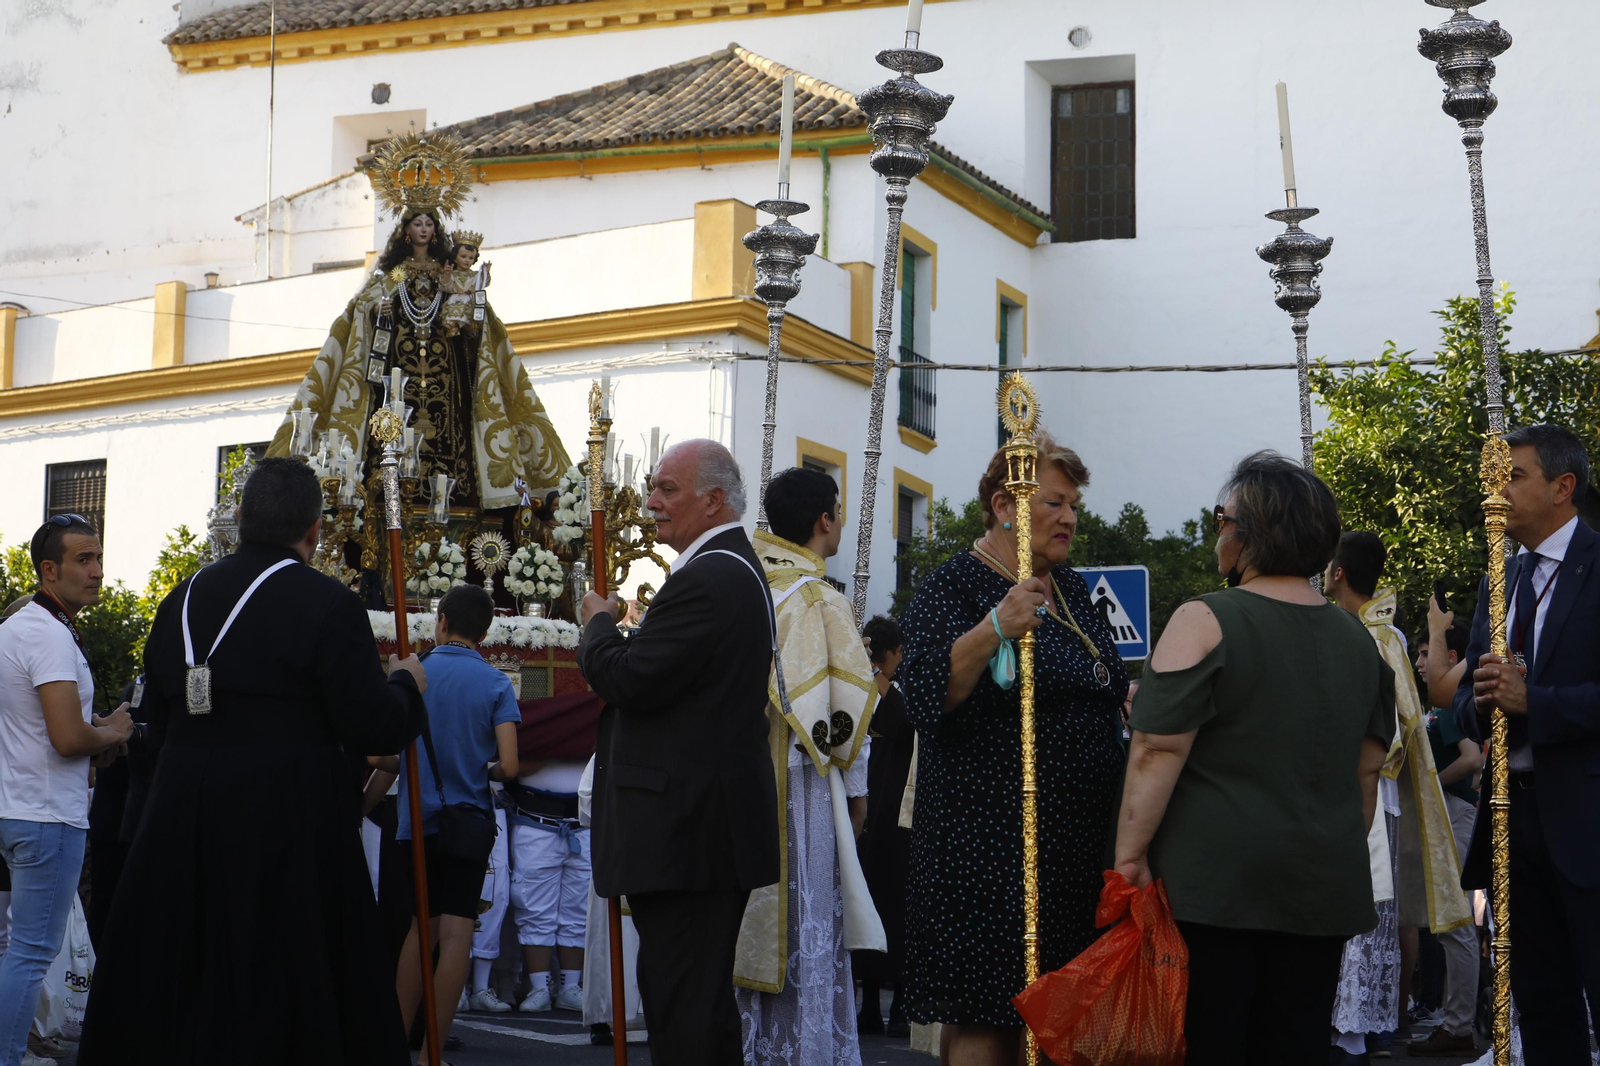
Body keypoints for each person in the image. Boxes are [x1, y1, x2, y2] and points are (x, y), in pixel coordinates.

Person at [78, 457, 429, 1066]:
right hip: (285, 818)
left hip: (180, 814)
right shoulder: (327, 603)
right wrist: (405, 687)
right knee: (281, 977)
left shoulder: (181, 597)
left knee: (179, 972)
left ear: (239, 519)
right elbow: (372, 726)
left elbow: (156, 711)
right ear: (315, 531)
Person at [1113, 452, 1395, 1066]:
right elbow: (1367, 771)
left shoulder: (1205, 618)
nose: (1218, 530)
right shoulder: (1360, 643)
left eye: (1223, 518)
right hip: (1320, 889)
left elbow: (1156, 748)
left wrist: (1129, 856)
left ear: (1249, 534)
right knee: (1294, 1045)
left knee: (1210, 1041)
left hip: (1214, 888)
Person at [897, 434, 1128, 1066]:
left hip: (1071, 852)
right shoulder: (957, 587)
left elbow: (1101, 683)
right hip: (988, 849)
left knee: (1059, 1014)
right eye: (1054, 502)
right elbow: (924, 693)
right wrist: (994, 628)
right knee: (991, 1011)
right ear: (1005, 504)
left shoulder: (1075, 592)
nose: (1071, 518)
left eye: (1074, 506)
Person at [577, 439, 780, 1066]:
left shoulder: (710, 577)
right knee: (689, 1003)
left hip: (690, 834)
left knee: (683, 1007)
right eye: (652, 488)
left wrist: (597, 624)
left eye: (667, 489)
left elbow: (628, 677)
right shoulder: (722, 570)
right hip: (700, 830)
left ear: (714, 500)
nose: (652, 503)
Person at [1454, 424, 1600, 1064]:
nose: (1497, 493)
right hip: (1515, 822)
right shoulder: (1500, 576)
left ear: (1563, 487)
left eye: (1513, 477)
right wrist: (1484, 702)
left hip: (1588, 822)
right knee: (1542, 1006)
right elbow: (1468, 704)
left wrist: (1531, 703)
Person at [734, 467, 882, 1066]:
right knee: (806, 928)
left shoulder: (744, 584)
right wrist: (859, 790)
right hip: (800, 789)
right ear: (825, 521)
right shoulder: (821, 600)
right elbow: (849, 721)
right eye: (839, 511)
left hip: (743, 779)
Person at [1324, 531, 1472, 1064]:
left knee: (1368, 904)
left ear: (1338, 573)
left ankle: (1356, 1028)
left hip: (1367, 784)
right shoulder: (1366, 632)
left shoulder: (1376, 637)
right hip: (1360, 786)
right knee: (1363, 904)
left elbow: (1396, 724)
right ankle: (1354, 1024)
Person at [0, 516, 134, 1066]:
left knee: (21, 951)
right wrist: (116, 732)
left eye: (99, 558)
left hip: (24, 807)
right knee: (31, 955)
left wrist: (97, 723)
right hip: (47, 814)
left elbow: (39, 726)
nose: (97, 572)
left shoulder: (24, 627)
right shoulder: (47, 633)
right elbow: (66, 737)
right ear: (49, 569)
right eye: (84, 560)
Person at [372, 583, 520, 1062]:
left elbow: (381, 752)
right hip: (470, 824)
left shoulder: (415, 674)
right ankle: (434, 1054)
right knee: (458, 933)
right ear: (486, 630)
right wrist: (485, 769)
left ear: (440, 621)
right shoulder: (497, 683)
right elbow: (510, 767)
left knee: (420, 931)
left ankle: (394, 1048)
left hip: (417, 822)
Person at [1409, 619, 1482, 1057]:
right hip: (1447, 812)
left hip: (1454, 812)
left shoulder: (1450, 702)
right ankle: (1456, 1023)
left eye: (1425, 653)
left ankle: (1458, 1026)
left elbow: (1472, 758)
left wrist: (1430, 787)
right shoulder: (1442, 704)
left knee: (1456, 924)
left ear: (1451, 659)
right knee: (1449, 924)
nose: (1419, 662)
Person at [854, 614, 913, 1039]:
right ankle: (891, 1009)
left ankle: (877, 1008)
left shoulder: (866, 692)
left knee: (874, 906)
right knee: (890, 908)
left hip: (868, 812)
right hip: (890, 815)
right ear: (892, 654)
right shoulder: (889, 694)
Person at [505, 746, 591, 1012]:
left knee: (579, 911)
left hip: (585, 823)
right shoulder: (531, 701)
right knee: (534, 909)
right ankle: (539, 987)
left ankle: (569, 987)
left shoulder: (591, 704)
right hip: (535, 820)